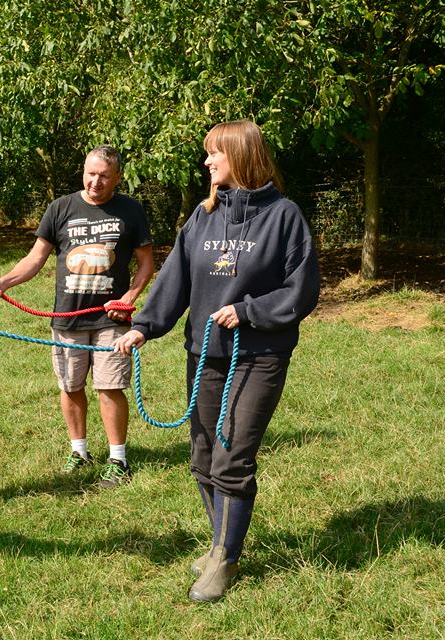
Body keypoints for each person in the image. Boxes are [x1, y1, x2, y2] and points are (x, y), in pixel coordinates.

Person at [114, 120, 320, 602]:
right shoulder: (202, 218)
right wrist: (144, 326)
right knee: (204, 456)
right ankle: (220, 542)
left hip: (259, 355)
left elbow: (302, 290)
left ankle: (225, 561)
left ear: (240, 156)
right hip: (204, 354)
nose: (207, 162)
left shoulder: (285, 216)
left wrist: (249, 310)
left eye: (214, 154)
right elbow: (174, 280)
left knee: (232, 457)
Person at [0, 145, 155, 488]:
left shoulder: (131, 211)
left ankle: (118, 460)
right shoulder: (60, 208)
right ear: (83, 172)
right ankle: (79, 452)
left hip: (112, 321)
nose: (95, 181)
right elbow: (35, 259)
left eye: (104, 176)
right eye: (90, 174)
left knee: (109, 387)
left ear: (117, 177)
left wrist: (129, 297)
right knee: (71, 385)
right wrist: (4, 282)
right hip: (68, 318)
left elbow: (146, 263)